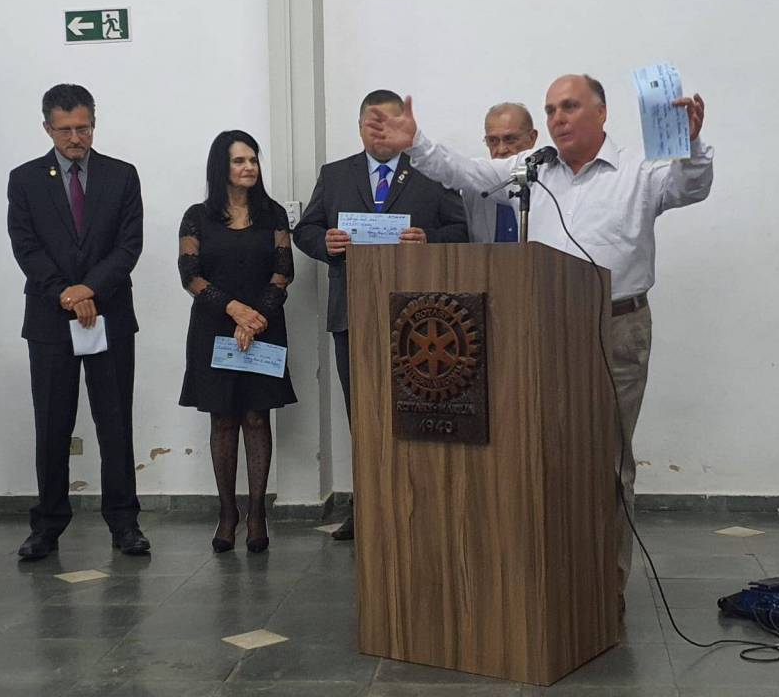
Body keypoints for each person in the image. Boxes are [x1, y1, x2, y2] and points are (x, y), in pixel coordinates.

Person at [363, 74, 713, 601]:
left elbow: (691, 186)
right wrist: (416, 143)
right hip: (546, 327)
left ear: (601, 113)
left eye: (569, 107)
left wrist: (692, 144)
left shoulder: (638, 171)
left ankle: (603, 590)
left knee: (607, 462)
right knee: (543, 455)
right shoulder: (533, 168)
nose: (557, 119)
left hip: (615, 327)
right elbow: (467, 172)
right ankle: (551, 585)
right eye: (550, 110)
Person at [292, 89, 468, 540]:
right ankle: (367, 506)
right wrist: (323, 243)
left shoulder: (431, 172)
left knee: (420, 413)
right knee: (363, 415)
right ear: (359, 128)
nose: (380, 132)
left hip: (421, 321)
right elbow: (306, 229)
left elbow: (461, 231)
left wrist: (428, 240)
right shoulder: (335, 175)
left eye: (389, 124)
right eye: (372, 124)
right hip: (352, 314)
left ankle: (421, 505)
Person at [7, 83, 149, 560]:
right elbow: (26, 247)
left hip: (110, 316)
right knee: (52, 424)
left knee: (115, 422)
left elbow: (129, 245)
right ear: (47, 128)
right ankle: (47, 525)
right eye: (65, 129)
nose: (75, 138)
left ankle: (124, 523)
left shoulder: (121, 175)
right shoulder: (25, 180)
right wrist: (66, 294)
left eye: (83, 128)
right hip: (50, 321)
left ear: (94, 124)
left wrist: (90, 290)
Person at [178, 130, 296, 554]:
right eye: (239, 161)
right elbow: (190, 275)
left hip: (264, 325)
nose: (249, 167)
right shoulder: (197, 216)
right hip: (215, 327)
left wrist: (255, 317)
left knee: (257, 418)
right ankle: (227, 513)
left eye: (253, 160)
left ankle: (257, 513)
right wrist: (235, 311)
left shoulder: (273, 214)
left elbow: (283, 272)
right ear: (221, 167)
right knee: (224, 419)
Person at [464, 102, 538, 243]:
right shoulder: (474, 192)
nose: (501, 149)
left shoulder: (549, 186)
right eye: (493, 141)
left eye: (510, 140)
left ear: (532, 138)